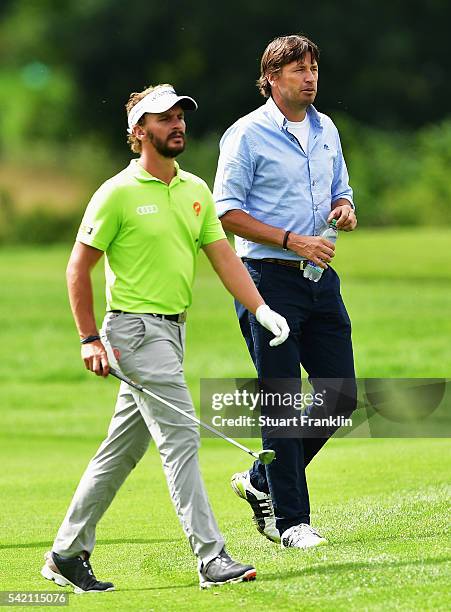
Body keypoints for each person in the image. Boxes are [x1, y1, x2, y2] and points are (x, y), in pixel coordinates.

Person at [40, 83, 290, 592]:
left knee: (120, 451)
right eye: (163, 118)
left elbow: (223, 256)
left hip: (173, 331)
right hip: (133, 330)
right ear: (138, 133)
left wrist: (261, 308)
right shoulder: (116, 193)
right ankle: (212, 557)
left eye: (180, 116)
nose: (176, 124)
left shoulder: (196, 190)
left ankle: (67, 552)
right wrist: (89, 337)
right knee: (180, 441)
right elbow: (77, 268)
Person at [214, 35, 358, 550]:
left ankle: (260, 478)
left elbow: (341, 187)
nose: (310, 76)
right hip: (265, 281)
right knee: (280, 400)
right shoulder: (246, 135)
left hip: (320, 280)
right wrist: (291, 238)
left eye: (314, 67)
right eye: (298, 69)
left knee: (340, 396)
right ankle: (291, 522)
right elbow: (226, 213)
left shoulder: (327, 130)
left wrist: (345, 207)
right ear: (272, 77)